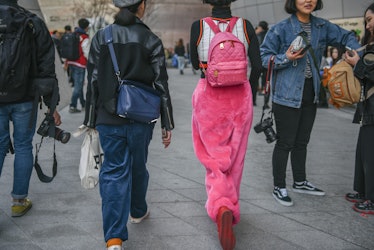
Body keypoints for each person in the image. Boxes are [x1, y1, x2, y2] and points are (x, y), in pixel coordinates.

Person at [84, 0, 174, 249]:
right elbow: (161, 84)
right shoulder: (150, 39)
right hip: (141, 117)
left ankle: (113, 238)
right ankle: (137, 210)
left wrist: (90, 120)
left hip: (108, 116)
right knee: (138, 165)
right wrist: (167, 122)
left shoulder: (101, 37)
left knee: (113, 171)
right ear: (142, 6)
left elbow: (92, 81)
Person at [260, 0, 361, 207]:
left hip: (311, 93)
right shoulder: (280, 29)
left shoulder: (322, 26)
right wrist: (285, 57)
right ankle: (279, 185)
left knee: (302, 142)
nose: (308, 0)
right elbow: (264, 57)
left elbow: (346, 36)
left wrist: (355, 51)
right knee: (285, 142)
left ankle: (300, 181)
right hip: (286, 95)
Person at [189, 0, 262, 249]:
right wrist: (247, 91)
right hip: (240, 95)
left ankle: (221, 206)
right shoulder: (246, 25)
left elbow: (193, 63)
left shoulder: (198, 26)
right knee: (236, 158)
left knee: (214, 157)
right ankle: (230, 204)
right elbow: (258, 65)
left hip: (209, 95)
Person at [0, 0, 61, 217]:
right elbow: (46, 65)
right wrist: (51, 104)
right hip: (25, 96)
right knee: (24, 145)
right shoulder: (31, 21)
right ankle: (18, 201)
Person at [345, 3, 374, 215]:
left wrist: (357, 65)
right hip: (368, 105)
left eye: (371, 19)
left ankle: (371, 199)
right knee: (364, 151)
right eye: (366, 21)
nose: (368, 24)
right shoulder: (370, 44)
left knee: (371, 152)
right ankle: (363, 191)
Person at [65, 18, 90, 113]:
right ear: (87, 27)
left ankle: (83, 103)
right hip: (80, 63)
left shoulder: (73, 34)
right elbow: (86, 52)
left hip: (71, 62)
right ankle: (73, 105)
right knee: (78, 86)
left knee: (77, 84)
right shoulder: (84, 37)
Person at [253, 20, 269, 108]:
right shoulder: (269, 35)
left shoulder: (257, 36)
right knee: (267, 82)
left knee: (254, 81)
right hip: (267, 62)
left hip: (258, 61)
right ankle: (266, 103)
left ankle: (253, 101)